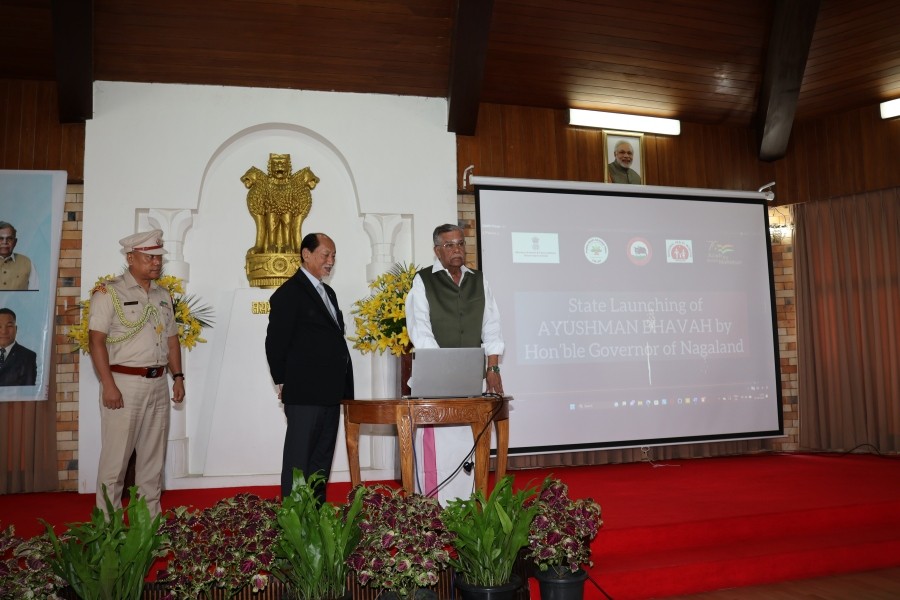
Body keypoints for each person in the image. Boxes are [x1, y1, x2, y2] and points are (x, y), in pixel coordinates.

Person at [88, 229, 184, 517]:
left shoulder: (162, 294)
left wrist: (178, 377)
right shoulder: (109, 292)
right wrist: (108, 385)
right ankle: (108, 527)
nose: (156, 262)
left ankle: (148, 525)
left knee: (153, 462)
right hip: (124, 385)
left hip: (157, 385)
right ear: (131, 258)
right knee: (115, 462)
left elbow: (171, 339)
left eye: (158, 257)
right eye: (149, 257)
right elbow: (96, 341)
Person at [405, 224, 504, 502]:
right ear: (437, 250)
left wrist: (493, 367)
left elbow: (492, 326)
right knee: (440, 449)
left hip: (473, 382)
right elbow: (420, 330)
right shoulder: (423, 280)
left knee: (467, 445)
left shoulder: (478, 280)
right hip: (437, 381)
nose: (457, 249)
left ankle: (469, 507)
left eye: (460, 243)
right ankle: (434, 508)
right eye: (449, 245)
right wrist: (445, 369)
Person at [265, 232, 354, 504]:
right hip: (304, 393)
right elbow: (275, 343)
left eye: (334, 256)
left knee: (320, 463)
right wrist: (282, 381)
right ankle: (293, 522)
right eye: (325, 255)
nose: (331, 261)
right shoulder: (288, 294)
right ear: (306, 254)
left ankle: (315, 521)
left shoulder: (328, 292)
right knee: (298, 463)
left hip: (330, 394)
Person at [0, 308, 37, 386]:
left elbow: (28, 392)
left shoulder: (28, 357)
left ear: (16, 329)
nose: (4, 331)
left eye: (9, 326)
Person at [0, 221, 39, 290]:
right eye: (0, 238)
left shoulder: (27, 263)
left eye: (9, 238)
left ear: (15, 242)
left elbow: (35, 294)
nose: (4, 242)